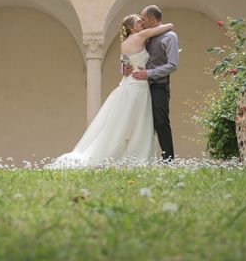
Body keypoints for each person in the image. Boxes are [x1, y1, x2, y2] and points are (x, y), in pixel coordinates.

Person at [45, 14, 175, 169]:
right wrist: (166, 25)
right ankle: (138, 159)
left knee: (128, 123)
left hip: (130, 83)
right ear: (132, 27)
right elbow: (169, 26)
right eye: (139, 22)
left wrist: (123, 68)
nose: (142, 23)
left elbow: (124, 64)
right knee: (139, 122)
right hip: (138, 86)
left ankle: (132, 158)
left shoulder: (125, 43)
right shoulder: (140, 36)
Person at [123, 5, 178, 160]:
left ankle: (169, 161)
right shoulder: (144, 36)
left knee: (161, 123)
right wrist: (124, 67)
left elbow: (172, 65)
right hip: (141, 87)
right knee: (142, 124)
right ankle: (144, 158)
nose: (141, 20)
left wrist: (149, 73)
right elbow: (130, 54)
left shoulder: (170, 37)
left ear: (152, 19)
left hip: (159, 85)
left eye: (143, 18)